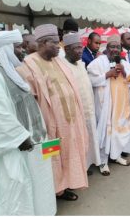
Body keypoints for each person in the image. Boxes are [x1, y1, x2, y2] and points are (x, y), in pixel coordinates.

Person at [0, 29, 56, 215]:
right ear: (6, 49)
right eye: (18, 47)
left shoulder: (13, 72)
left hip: (32, 144)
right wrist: (19, 137)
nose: (23, 50)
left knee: (36, 186)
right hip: (13, 147)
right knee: (17, 188)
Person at [17, 24, 89, 201]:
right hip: (49, 125)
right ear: (41, 43)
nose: (59, 46)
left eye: (59, 43)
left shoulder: (59, 61)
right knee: (52, 158)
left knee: (69, 154)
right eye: (54, 43)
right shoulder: (28, 66)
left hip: (69, 122)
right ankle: (52, 192)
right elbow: (28, 102)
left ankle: (64, 187)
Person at [87, 34, 130, 176]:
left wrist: (125, 72)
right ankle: (103, 162)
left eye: (117, 47)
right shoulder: (98, 62)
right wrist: (107, 74)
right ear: (107, 48)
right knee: (104, 132)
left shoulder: (124, 63)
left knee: (119, 130)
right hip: (105, 106)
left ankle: (116, 155)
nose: (115, 50)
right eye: (112, 47)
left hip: (121, 106)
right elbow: (90, 81)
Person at [62, 33, 101, 173]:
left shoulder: (80, 63)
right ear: (66, 49)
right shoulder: (63, 66)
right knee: (78, 141)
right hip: (75, 112)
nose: (80, 51)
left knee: (88, 138)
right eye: (76, 48)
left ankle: (87, 164)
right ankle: (80, 168)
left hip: (88, 108)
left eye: (81, 47)